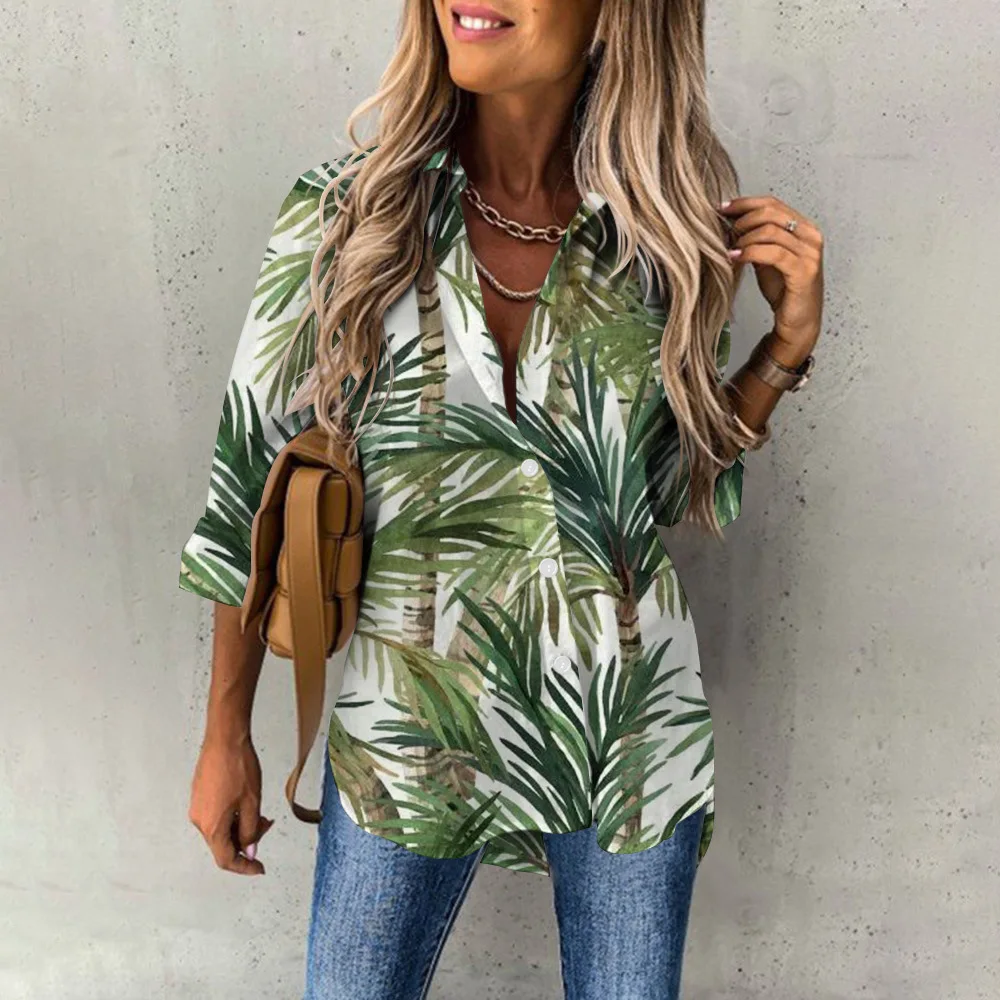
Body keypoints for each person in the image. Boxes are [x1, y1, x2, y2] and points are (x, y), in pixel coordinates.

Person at [181, 1, 825, 997]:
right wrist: (227, 735)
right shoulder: (343, 214)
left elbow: (660, 492)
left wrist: (782, 350)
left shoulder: (662, 237)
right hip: (403, 736)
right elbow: (243, 492)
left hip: (625, 740)